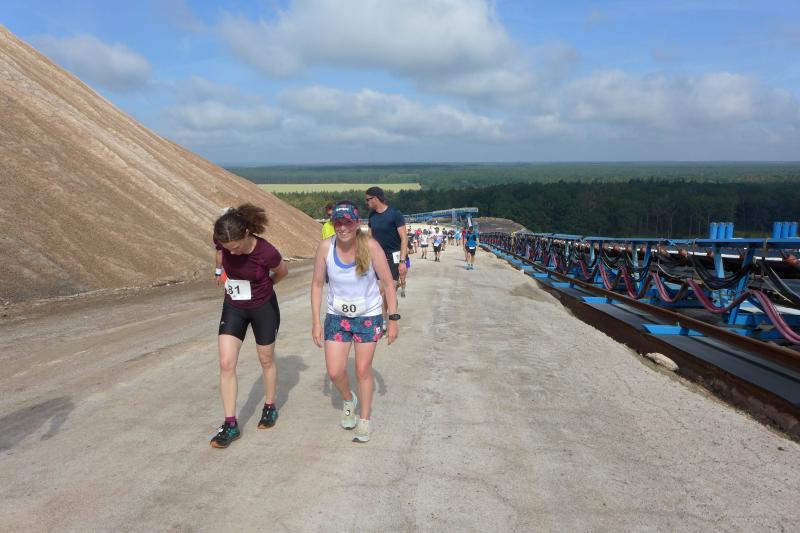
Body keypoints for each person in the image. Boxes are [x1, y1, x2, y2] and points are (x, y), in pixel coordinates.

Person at [311, 201, 400, 443]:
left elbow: (388, 283)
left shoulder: (370, 246)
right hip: (337, 317)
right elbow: (317, 284)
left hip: (367, 316)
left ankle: (365, 419)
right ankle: (349, 399)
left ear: (357, 223)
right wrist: (316, 322)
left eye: (347, 222)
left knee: (362, 370)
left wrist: (393, 319)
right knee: (334, 371)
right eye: (338, 223)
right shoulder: (325, 247)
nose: (342, 228)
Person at [210, 204, 289, 449]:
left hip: (263, 307)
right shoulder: (224, 242)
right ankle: (230, 423)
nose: (231, 252)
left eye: (235, 247)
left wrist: (265, 287)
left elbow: (282, 271)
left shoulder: (266, 251)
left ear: (246, 233)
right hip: (234, 307)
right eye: (227, 248)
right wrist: (218, 270)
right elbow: (220, 253)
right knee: (226, 363)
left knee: (266, 359)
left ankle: (270, 406)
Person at [365, 187, 407, 321]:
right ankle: (382, 322)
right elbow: (369, 238)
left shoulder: (395, 214)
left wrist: (402, 262)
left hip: (394, 258)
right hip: (378, 258)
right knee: (380, 291)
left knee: (390, 291)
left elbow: (404, 238)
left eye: (368, 199)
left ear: (376, 198)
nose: (367, 202)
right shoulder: (372, 216)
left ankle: (392, 318)